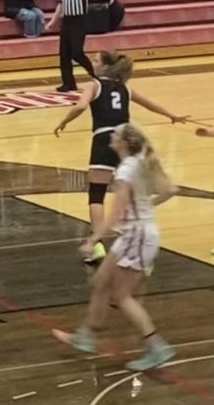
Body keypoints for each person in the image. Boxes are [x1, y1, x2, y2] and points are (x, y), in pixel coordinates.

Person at [52, 124, 176, 370]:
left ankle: (156, 346)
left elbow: (114, 214)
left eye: (116, 134)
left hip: (137, 237)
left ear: (125, 142)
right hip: (135, 234)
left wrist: (92, 239)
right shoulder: (140, 161)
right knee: (100, 282)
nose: (112, 135)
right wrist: (147, 206)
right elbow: (171, 190)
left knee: (122, 296)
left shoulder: (126, 170)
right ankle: (86, 336)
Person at [54, 53, 187, 260]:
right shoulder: (125, 87)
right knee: (138, 187)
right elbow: (149, 104)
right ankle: (136, 219)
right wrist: (172, 116)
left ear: (106, 67)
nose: (93, 64)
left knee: (96, 194)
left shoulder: (94, 85)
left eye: (96, 61)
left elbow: (80, 106)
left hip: (107, 138)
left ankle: (97, 244)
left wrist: (64, 121)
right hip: (130, 137)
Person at [46, 0, 93, 93]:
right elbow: (60, 5)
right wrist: (53, 21)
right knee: (64, 54)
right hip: (66, 21)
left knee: (77, 52)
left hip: (79, 21)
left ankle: (95, 74)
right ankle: (68, 83)